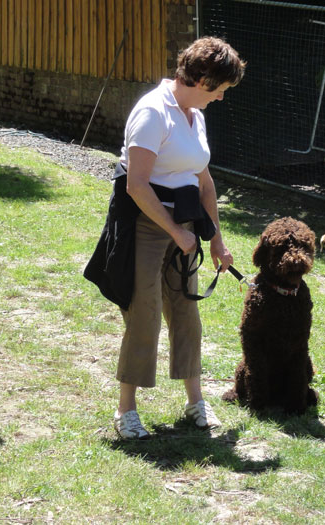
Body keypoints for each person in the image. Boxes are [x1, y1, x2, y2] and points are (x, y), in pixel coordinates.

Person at [85, 36, 246, 439]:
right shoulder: (153, 112)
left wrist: (216, 242)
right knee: (145, 315)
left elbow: (204, 182)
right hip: (144, 224)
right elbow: (137, 185)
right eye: (222, 90)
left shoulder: (196, 113)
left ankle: (196, 403)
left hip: (186, 228)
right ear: (203, 78)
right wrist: (173, 230)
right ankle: (126, 412)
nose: (223, 99)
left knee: (187, 313)